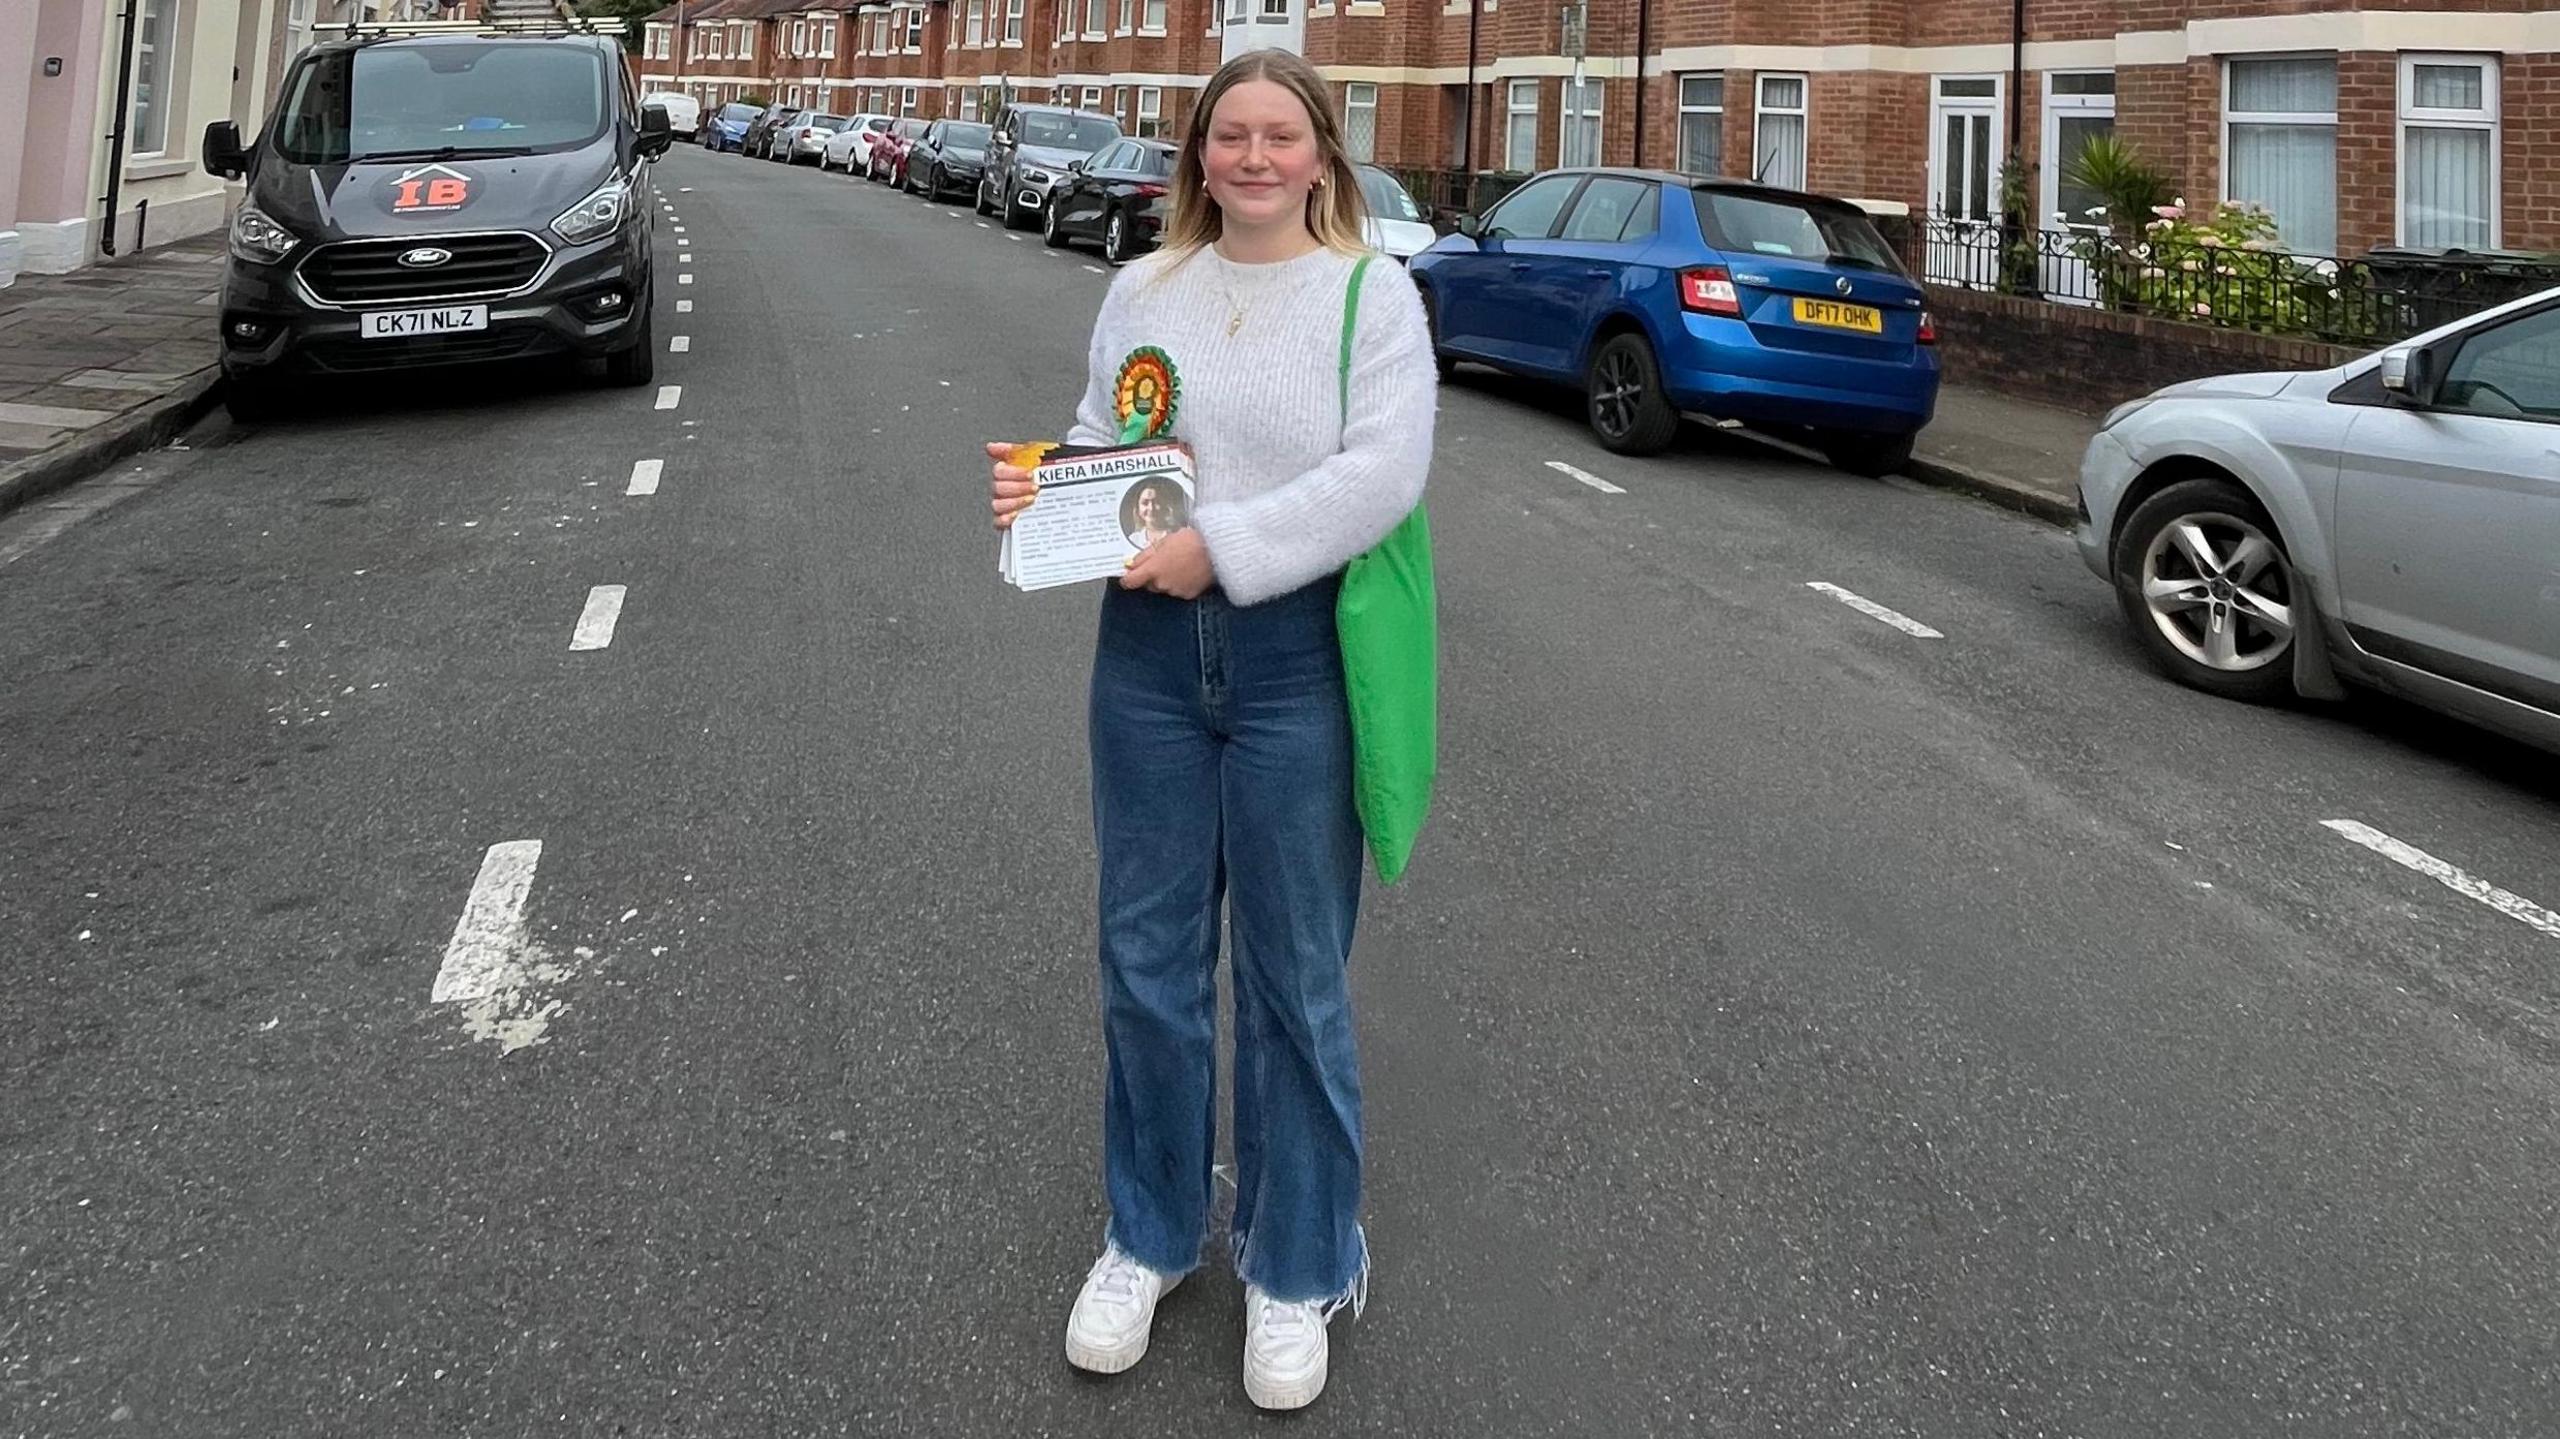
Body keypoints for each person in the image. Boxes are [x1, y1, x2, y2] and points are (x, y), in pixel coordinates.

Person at [984, 45, 1436, 1412]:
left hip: (1297, 657)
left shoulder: (1373, 295)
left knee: (1295, 974)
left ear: (1320, 156)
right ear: (1195, 156)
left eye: (1278, 135)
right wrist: (1054, 494)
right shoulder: (1144, 287)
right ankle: (1150, 1232)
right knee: (1146, 957)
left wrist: (1221, 548)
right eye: (1228, 135)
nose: (1252, 157)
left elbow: (1383, 476)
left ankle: (1299, 1257)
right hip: (1146, 660)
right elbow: (1104, 430)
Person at [1123, 479, 1186, 549]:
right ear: (1138, 509)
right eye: (1145, 503)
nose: (1151, 508)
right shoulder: (1134, 540)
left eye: (1156, 502)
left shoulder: (1178, 535)